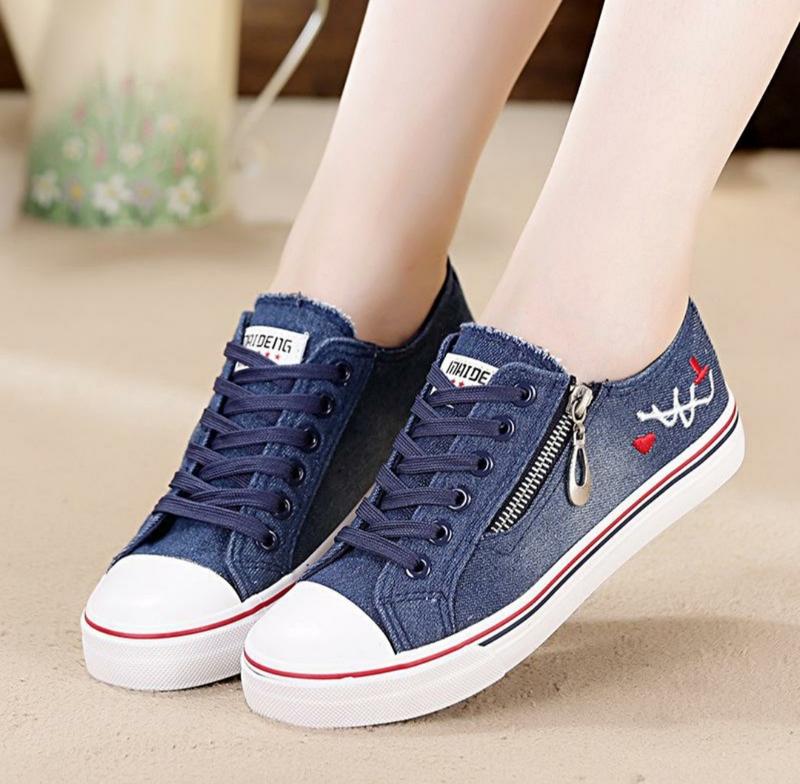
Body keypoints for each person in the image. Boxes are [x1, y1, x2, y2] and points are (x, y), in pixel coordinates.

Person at [81, 1, 799, 725]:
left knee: (595, 276)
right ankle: (370, 282)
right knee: (356, 261)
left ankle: (603, 315)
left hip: (611, 372)